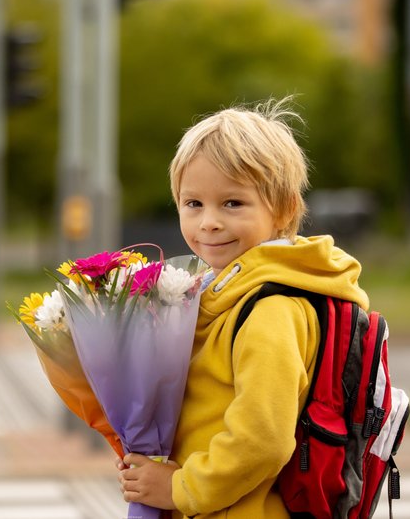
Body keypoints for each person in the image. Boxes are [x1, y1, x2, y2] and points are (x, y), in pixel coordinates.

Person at [117, 97, 370, 519]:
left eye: (232, 203)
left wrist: (181, 487)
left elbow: (262, 440)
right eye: (193, 204)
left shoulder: (270, 308)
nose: (209, 222)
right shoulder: (222, 292)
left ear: (285, 208)